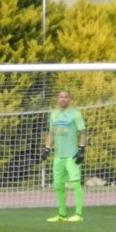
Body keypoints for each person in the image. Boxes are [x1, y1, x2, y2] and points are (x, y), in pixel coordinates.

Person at [44, 89, 87, 222]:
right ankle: (62, 214)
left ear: (70, 99)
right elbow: (51, 133)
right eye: (61, 97)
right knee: (58, 184)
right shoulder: (53, 115)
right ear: (58, 99)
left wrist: (81, 149)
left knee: (75, 183)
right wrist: (47, 148)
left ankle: (78, 214)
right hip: (58, 156)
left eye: (66, 97)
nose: (63, 99)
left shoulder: (75, 114)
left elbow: (83, 132)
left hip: (72, 155)